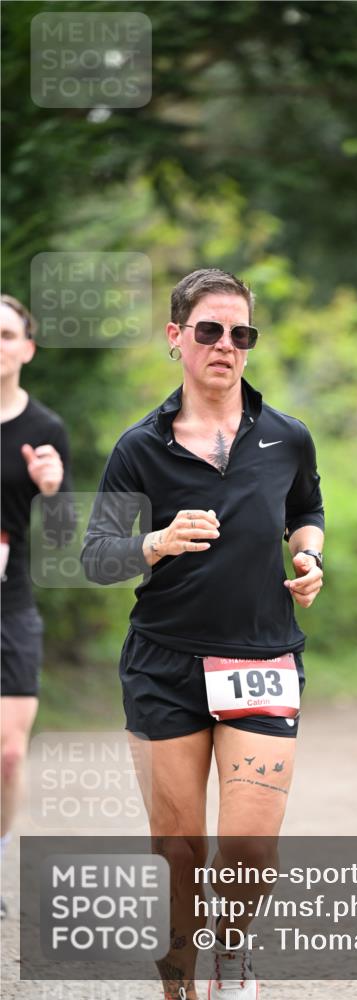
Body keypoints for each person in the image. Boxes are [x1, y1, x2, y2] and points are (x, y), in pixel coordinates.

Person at [81, 269, 325, 1000]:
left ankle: (232, 953)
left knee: (249, 846)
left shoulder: (287, 437)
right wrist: (153, 542)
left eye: (241, 334)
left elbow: (305, 509)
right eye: (210, 330)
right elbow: (95, 557)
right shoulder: (140, 447)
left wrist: (310, 555)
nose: (226, 345)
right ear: (175, 337)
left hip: (262, 656)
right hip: (164, 664)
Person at [1, 294, 75, 917]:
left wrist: (51, 492)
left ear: (26, 348)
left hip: (11, 606)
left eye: (5, 334)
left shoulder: (45, 431)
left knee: (9, 752)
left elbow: (60, 543)